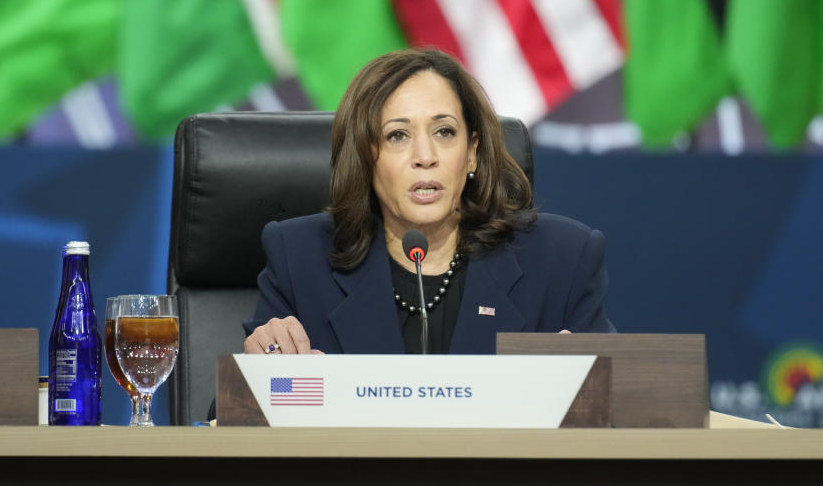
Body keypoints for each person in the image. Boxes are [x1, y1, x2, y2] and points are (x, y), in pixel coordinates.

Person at [243, 48, 614, 355]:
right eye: (398, 135)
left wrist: (587, 388)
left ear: (472, 153)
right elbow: (229, 418)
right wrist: (265, 376)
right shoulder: (301, 259)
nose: (425, 155)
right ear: (366, 158)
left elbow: (624, 413)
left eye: (444, 132)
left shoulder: (561, 259)